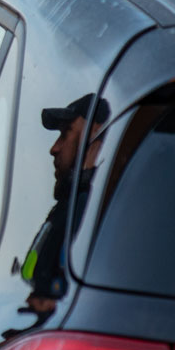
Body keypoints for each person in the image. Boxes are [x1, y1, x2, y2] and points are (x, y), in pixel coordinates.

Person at [22, 92, 111, 316]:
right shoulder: (68, 210)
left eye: (65, 134)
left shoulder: (91, 211)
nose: (54, 148)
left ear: (94, 137)